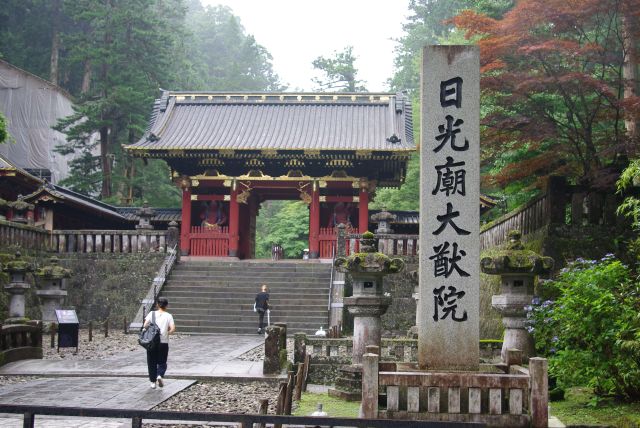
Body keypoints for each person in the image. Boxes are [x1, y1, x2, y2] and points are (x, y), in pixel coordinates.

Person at [144, 297, 175, 389]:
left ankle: (153, 382)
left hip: (152, 342)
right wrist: (166, 333)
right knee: (162, 362)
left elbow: (145, 325)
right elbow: (173, 329)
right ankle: (159, 375)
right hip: (163, 342)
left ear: (157, 305)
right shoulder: (168, 316)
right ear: (167, 306)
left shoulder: (152, 314)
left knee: (151, 361)